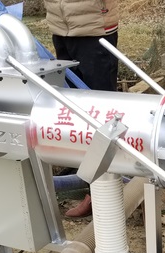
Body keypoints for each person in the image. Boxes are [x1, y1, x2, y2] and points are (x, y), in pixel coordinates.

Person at [45, 0, 119, 217]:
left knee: (101, 114)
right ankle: (87, 179)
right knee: (75, 111)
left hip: (93, 27)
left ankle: (101, 192)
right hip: (60, 26)